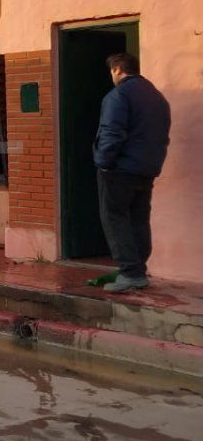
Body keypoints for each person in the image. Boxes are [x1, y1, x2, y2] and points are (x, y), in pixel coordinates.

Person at [94, 53, 171, 293]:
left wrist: (103, 162)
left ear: (117, 70)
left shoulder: (118, 96)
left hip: (120, 169)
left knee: (115, 217)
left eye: (112, 72)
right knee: (138, 218)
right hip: (146, 169)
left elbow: (111, 132)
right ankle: (139, 268)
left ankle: (130, 272)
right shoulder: (157, 97)